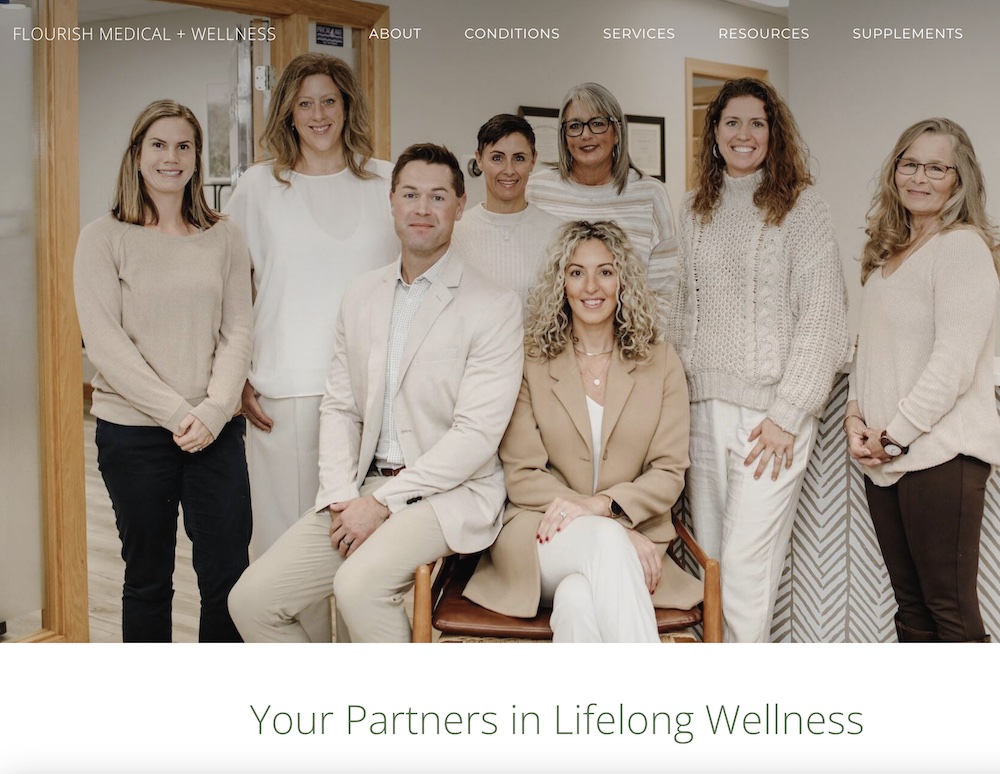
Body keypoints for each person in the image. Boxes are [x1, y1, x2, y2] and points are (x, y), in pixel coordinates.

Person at [228, 144, 524, 643]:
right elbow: (340, 406)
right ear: (392, 202)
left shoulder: (494, 305)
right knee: (251, 602)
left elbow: (475, 437)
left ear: (459, 205)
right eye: (410, 194)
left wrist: (382, 503)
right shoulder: (361, 293)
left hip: (447, 495)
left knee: (358, 586)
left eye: (437, 197)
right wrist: (341, 494)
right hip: (363, 489)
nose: (422, 209)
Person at [666, 78, 848, 642]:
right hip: (700, 411)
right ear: (714, 133)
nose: (743, 134)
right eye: (732, 122)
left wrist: (787, 415)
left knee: (747, 567)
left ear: (774, 134)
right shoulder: (692, 209)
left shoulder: (802, 207)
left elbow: (824, 317)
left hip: (770, 419)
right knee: (712, 562)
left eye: (757, 123)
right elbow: (676, 309)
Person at [464, 220, 702, 642]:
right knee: (606, 546)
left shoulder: (661, 362)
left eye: (605, 271)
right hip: (541, 537)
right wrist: (613, 525)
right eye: (576, 272)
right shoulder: (531, 361)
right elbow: (523, 475)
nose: (591, 286)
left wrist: (602, 509)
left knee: (577, 600)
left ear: (623, 281)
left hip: (636, 539)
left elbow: (668, 473)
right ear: (561, 283)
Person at [74, 100, 252, 642]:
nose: (170, 157)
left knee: (228, 580)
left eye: (183, 146)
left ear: (197, 157)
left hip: (215, 433)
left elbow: (238, 331)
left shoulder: (225, 235)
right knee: (148, 580)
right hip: (133, 434)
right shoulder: (102, 237)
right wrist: (179, 414)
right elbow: (105, 345)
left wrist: (214, 411)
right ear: (137, 154)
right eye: (158, 144)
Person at [225, 53, 398, 559]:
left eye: (329, 101)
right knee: (285, 550)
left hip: (376, 387)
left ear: (347, 107)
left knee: (366, 551)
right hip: (287, 389)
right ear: (288, 111)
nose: (318, 114)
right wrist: (236, 374)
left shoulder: (387, 182)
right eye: (305, 104)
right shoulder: (258, 186)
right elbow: (230, 287)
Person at [845, 118, 1000, 643]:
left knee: (949, 610)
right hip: (887, 456)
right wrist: (855, 417)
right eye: (909, 164)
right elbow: (870, 349)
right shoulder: (891, 252)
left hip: (940, 456)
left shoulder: (961, 248)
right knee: (911, 608)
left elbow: (953, 362)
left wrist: (894, 436)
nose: (919, 177)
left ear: (960, 179)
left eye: (937, 168)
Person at [525, 83, 675, 318]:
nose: (586, 135)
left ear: (617, 132)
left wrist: (639, 338)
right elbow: (529, 279)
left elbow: (665, 293)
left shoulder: (650, 194)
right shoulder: (537, 189)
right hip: (552, 335)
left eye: (597, 123)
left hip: (631, 337)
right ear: (564, 136)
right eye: (575, 126)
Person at [451, 113, 562, 303]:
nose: (509, 170)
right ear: (479, 159)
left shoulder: (558, 232)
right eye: (497, 158)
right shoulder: (456, 232)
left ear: (533, 160)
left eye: (519, 158)